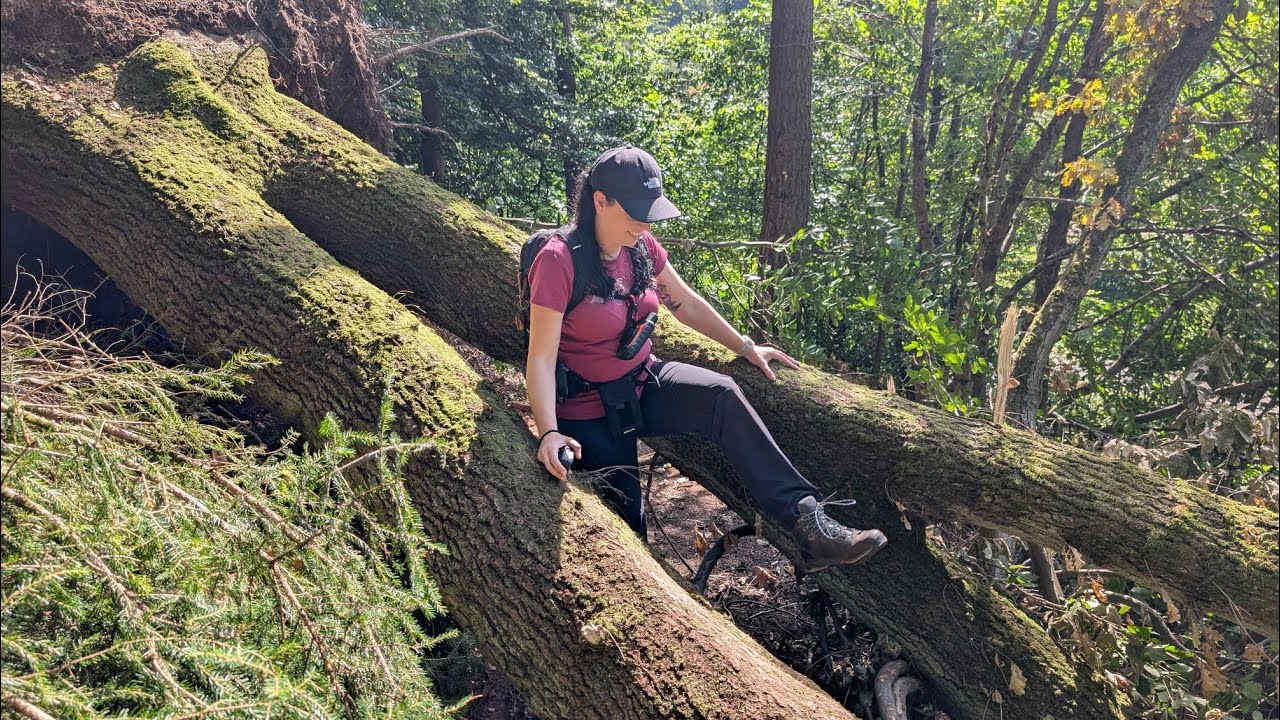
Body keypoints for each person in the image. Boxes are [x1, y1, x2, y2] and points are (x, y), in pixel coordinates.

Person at [525, 145, 886, 572]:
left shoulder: (639, 245)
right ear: (599, 201)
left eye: (649, 214)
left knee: (722, 395)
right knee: (629, 528)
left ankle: (808, 524)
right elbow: (542, 359)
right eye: (636, 213)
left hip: (642, 382)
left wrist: (746, 347)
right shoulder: (558, 259)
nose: (644, 224)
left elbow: (685, 304)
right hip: (586, 411)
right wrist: (549, 432)